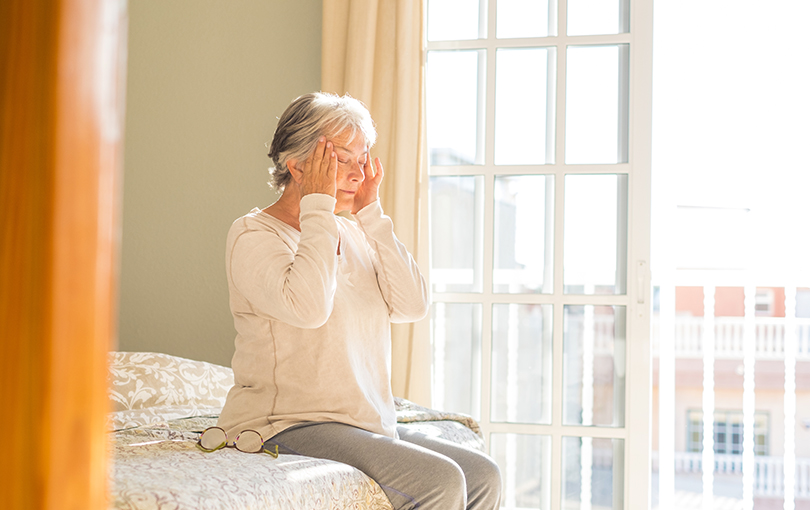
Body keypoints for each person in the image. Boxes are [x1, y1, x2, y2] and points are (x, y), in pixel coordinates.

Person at [217, 92, 501, 510]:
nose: (358, 172)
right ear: (297, 166)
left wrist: (371, 215)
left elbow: (412, 305)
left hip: (363, 422)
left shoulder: (353, 233)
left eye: (363, 157)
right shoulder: (253, 235)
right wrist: (318, 208)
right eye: (342, 159)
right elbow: (309, 309)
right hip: (285, 424)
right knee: (437, 481)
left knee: (482, 475)